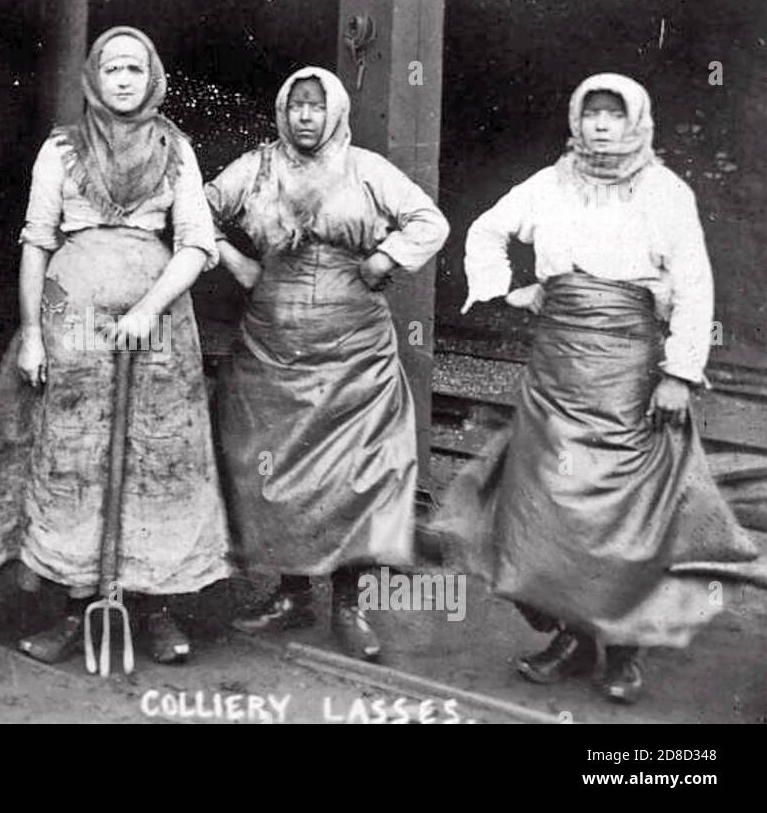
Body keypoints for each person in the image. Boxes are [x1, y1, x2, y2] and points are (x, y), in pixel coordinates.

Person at [433, 73, 767, 702]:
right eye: (592, 115)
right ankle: (571, 634)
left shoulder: (666, 192)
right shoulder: (550, 184)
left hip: (630, 376)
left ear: (636, 121)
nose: (602, 126)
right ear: (576, 121)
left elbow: (694, 285)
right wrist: (512, 289)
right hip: (558, 373)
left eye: (615, 115)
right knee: (552, 508)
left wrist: (677, 374)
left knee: (623, 514)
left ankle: (623, 649)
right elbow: (485, 230)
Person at [0, 26, 231, 664]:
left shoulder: (176, 148)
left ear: (152, 77)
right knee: (71, 457)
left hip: (159, 324)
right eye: (111, 68)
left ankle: (154, 608)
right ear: (93, 77)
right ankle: (69, 609)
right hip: (72, 317)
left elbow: (198, 242)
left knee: (156, 459)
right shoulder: (60, 150)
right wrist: (32, 336)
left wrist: (146, 309)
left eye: (134, 69)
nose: (122, 79)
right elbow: (36, 239)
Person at [206, 67, 449, 660]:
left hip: (355, 352)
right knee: (274, 470)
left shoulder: (366, 169)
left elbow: (430, 222)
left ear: (334, 110)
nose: (306, 117)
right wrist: (233, 260)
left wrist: (384, 258)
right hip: (271, 343)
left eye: (316, 106)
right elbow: (193, 209)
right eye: (296, 106)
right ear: (283, 112)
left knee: (356, 475)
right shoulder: (258, 167)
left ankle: (350, 605)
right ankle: (291, 596)